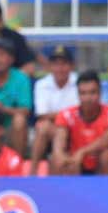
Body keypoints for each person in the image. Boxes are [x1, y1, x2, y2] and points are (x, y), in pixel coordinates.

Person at [51, 71, 108, 175]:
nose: (88, 98)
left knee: (106, 155)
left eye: (92, 92)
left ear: (100, 93)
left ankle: (107, 190)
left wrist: (83, 152)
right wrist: (59, 154)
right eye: (83, 93)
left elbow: (107, 140)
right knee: (57, 159)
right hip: (78, 164)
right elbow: (59, 139)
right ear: (78, 94)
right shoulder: (66, 115)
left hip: (104, 165)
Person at [29, 45, 78, 175]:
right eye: (56, 64)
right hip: (54, 129)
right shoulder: (42, 84)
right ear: (50, 66)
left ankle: (54, 167)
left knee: (50, 127)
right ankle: (32, 172)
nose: (60, 68)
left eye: (64, 64)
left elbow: (80, 115)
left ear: (72, 66)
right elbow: (42, 115)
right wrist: (66, 115)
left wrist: (59, 117)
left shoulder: (78, 82)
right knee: (44, 127)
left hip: (76, 130)